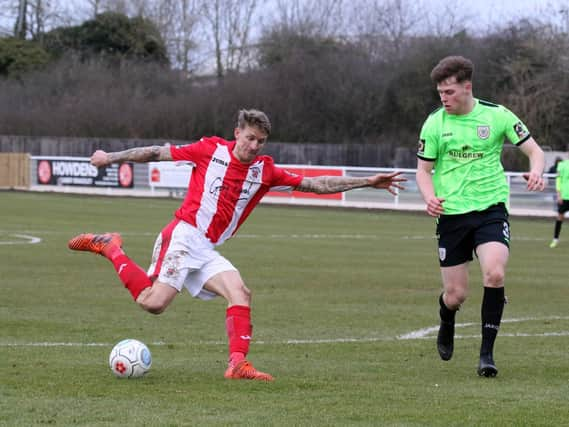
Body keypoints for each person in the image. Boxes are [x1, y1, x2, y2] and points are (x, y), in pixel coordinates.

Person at [68, 109, 406, 381]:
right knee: (153, 304)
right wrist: (110, 157)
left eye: (261, 141)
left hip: (206, 248)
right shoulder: (209, 150)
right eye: (250, 138)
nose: (255, 146)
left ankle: (237, 365)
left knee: (240, 292)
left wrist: (366, 182)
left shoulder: (265, 170)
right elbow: (156, 152)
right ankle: (110, 247)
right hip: (184, 236)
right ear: (237, 133)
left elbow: (315, 184)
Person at [416, 56, 545, 377]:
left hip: (491, 209)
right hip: (451, 216)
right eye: (440, 93)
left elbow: (535, 151)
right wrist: (430, 197)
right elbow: (423, 171)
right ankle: (447, 317)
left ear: (467, 87)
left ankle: (486, 355)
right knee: (456, 294)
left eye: (449, 91)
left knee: (495, 274)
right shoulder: (435, 123)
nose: (443, 98)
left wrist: (537, 172)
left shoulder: (496, 115)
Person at [549, 155, 569, 248]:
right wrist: (559, 195)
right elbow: (558, 180)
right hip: (564, 196)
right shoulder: (562, 165)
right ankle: (555, 239)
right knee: (560, 218)